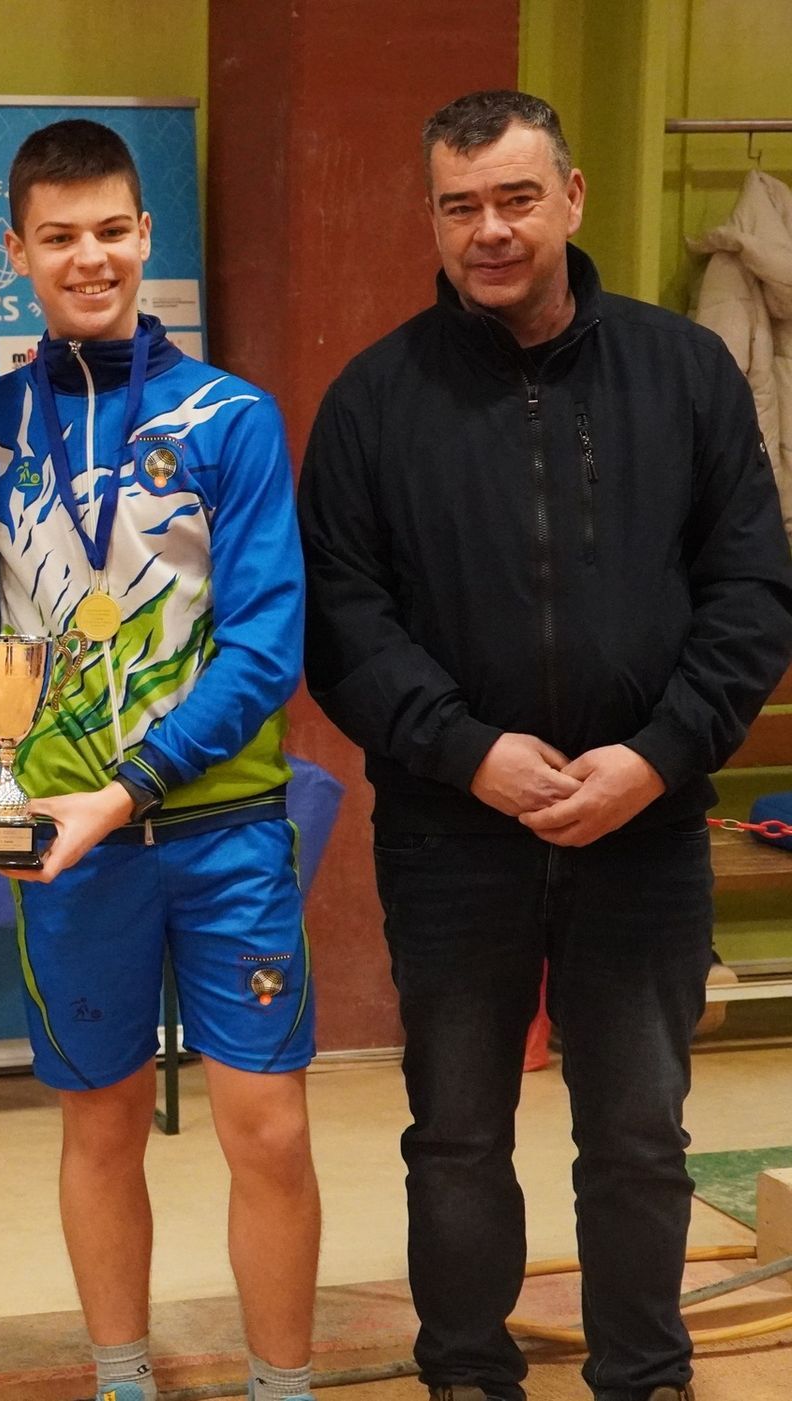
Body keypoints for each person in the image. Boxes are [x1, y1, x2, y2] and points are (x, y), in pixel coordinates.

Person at [298, 90, 792, 1401]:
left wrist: (659, 754)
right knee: (458, 1134)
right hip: (454, 834)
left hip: (647, 828)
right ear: (433, 220)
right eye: (460, 206)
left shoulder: (686, 375)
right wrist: (466, 751)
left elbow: (752, 593)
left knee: (637, 1134)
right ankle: (468, 1370)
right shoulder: (373, 402)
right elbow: (345, 621)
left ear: (571, 198)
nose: (491, 230)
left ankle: (645, 1373)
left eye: (516, 198)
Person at [0, 118, 320, 1401]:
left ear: (145, 234)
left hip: (220, 832)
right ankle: (123, 1379)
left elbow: (266, 646)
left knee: (267, 1128)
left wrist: (131, 787)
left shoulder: (232, 417)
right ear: (16, 252)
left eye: (112, 229)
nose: (91, 257)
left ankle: (283, 1386)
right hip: (68, 845)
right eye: (59, 236)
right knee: (100, 1121)